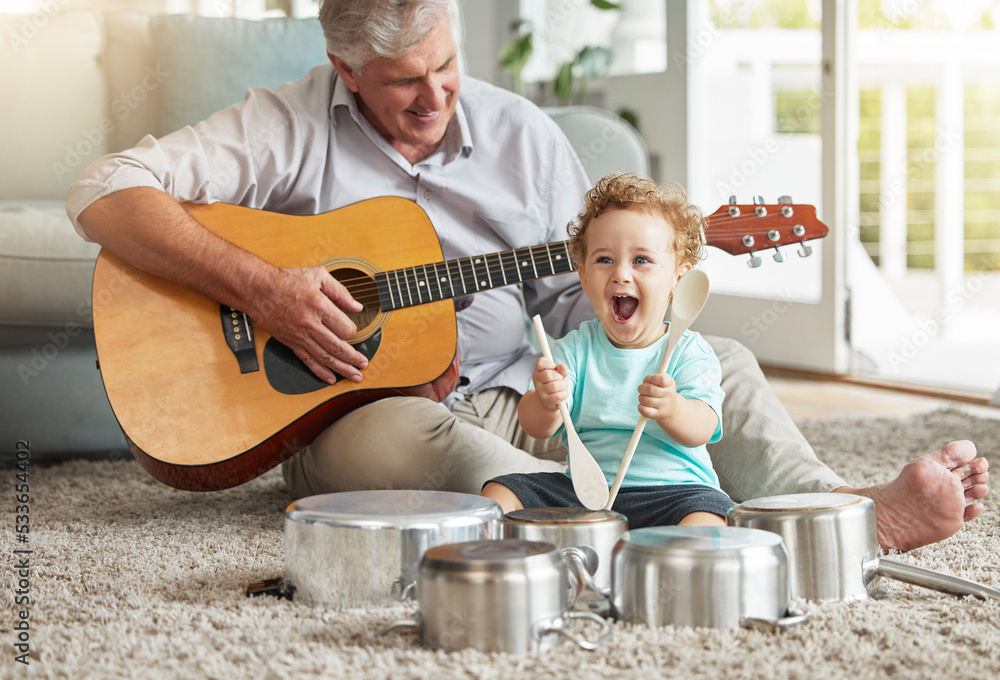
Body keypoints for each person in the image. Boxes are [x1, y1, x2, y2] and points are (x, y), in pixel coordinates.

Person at [67, 0, 987, 552]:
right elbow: (106, 190)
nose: (434, 97)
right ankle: (676, 532)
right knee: (446, 448)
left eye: (447, 67)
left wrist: (637, 308)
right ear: (344, 70)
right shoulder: (288, 122)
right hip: (364, 417)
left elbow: (585, 297)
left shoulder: (520, 135)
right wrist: (263, 288)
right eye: (401, 84)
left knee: (724, 364)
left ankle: (834, 513)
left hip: (538, 393)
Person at [483, 174, 733, 528]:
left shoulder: (688, 351)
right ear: (584, 279)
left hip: (674, 492)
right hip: (585, 493)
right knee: (500, 492)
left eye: (642, 260)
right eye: (604, 260)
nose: (621, 274)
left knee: (708, 517)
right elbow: (536, 427)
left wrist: (673, 408)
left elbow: (704, 428)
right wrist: (544, 401)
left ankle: (673, 572)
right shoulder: (573, 350)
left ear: (678, 279)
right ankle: (513, 571)